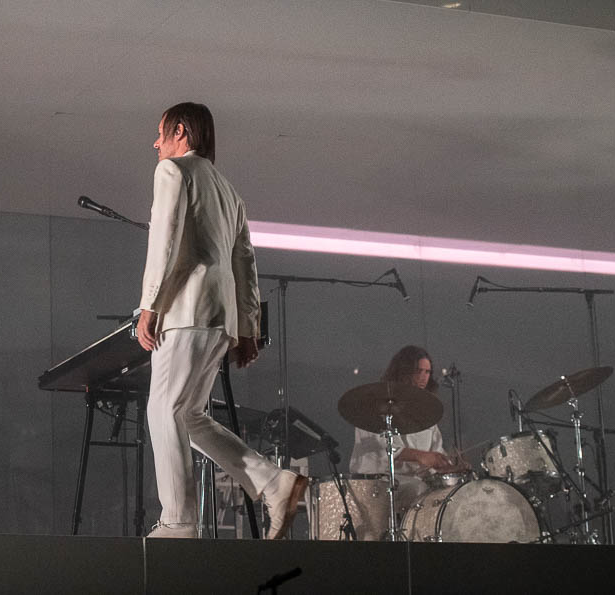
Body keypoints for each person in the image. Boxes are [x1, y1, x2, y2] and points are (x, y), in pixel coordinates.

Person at [136, 102, 307, 539]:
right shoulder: (229, 192)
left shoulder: (172, 171)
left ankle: (178, 522)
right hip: (219, 319)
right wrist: (248, 329)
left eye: (160, 133)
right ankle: (275, 483)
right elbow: (246, 263)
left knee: (163, 409)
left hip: (184, 310)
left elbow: (164, 242)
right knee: (189, 416)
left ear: (180, 131)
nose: (155, 144)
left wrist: (149, 305)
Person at [349, 345, 454, 513]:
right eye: (418, 371)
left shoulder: (427, 412)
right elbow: (384, 448)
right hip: (377, 482)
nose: (423, 377)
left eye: (427, 372)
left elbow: (435, 453)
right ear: (403, 372)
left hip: (414, 482)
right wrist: (420, 456)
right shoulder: (377, 406)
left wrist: (449, 466)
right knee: (419, 489)